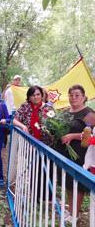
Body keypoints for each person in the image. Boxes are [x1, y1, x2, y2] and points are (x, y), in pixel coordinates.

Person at [58, 84, 94, 221]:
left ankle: (75, 214)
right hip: (66, 151)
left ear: (84, 97)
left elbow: (91, 136)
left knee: (77, 183)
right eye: (71, 95)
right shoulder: (66, 111)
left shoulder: (89, 113)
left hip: (80, 152)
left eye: (77, 95)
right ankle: (71, 210)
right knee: (67, 182)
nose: (73, 98)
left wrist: (73, 136)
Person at [13, 86, 55, 201]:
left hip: (46, 145)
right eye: (33, 95)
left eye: (37, 94)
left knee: (46, 169)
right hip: (30, 144)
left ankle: (47, 197)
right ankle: (36, 196)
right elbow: (14, 119)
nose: (35, 97)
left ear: (42, 95)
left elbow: (55, 125)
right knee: (34, 170)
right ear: (29, 97)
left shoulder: (48, 108)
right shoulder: (25, 107)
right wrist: (23, 126)